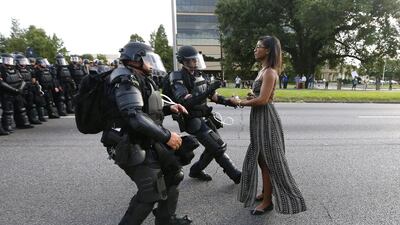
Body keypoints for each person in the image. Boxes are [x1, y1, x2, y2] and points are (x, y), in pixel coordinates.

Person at [101, 42, 192, 225]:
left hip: (146, 139)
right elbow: (134, 116)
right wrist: (167, 136)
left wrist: (169, 108)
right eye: (148, 60)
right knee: (150, 191)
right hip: (130, 143)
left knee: (173, 174)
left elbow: (146, 109)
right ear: (136, 60)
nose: (151, 64)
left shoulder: (138, 76)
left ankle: (166, 219)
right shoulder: (124, 79)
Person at [231, 36, 306, 215]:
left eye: (259, 47)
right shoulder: (262, 70)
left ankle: (267, 202)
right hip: (259, 118)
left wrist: (240, 102)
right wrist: (251, 97)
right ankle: (266, 192)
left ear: (268, 51)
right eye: (256, 46)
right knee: (260, 157)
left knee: (267, 161)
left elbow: (264, 100)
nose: (255, 49)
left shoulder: (270, 72)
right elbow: (260, 96)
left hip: (266, 119)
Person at [165, 45, 241, 183]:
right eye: (192, 60)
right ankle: (235, 175)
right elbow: (185, 102)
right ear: (184, 61)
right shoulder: (177, 77)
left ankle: (196, 170)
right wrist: (207, 91)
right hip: (192, 119)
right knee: (218, 148)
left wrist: (230, 102)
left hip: (205, 116)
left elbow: (214, 97)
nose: (195, 62)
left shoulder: (199, 75)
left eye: (196, 60)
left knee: (216, 147)